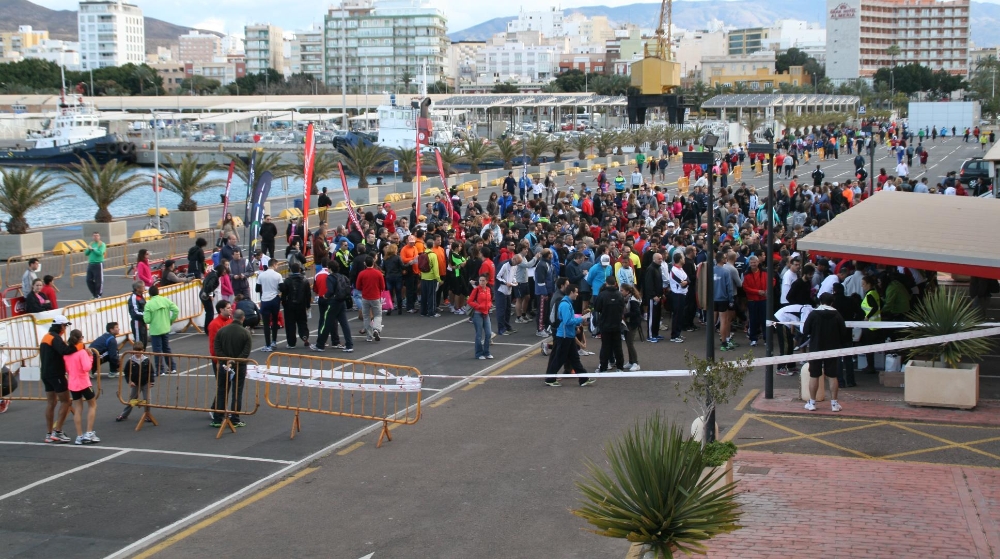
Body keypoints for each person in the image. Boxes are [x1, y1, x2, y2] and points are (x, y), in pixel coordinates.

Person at [802, 292, 851, 412]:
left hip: (816, 348)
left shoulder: (814, 314)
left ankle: (812, 403)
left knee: (814, 375)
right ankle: (834, 404)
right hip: (832, 348)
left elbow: (805, 330)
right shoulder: (837, 315)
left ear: (820, 301)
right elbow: (844, 333)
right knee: (833, 376)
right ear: (832, 302)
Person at [544, 285, 595, 387]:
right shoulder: (565, 305)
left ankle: (583, 379)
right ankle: (549, 379)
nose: (577, 294)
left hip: (568, 335)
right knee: (560, 358)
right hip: (564, 336)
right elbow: (567, 321)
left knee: (574, 358)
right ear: (571, 292)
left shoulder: (567, 303)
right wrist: (581, 319)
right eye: (576, 292)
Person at [212, 309, 253, 428]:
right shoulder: (245, 333)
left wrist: (226, 360)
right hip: (239, 366)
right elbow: (246, 352)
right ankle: (235, 418)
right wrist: (235, 362)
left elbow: (217, 348)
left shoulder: (222, 331)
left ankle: (217, 418)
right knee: (237, 391)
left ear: (232, 317)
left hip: (224, 366)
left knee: (221, 390)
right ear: (243, 318)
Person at [41, 315, 75, 443]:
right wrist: (78, 347)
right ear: (61, 326)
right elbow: (64, 350)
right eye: (65, 326)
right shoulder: (55, 338)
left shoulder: (46, 336)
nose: (65, 328)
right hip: (56, 374)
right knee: (65, 401)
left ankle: (49, 433)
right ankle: (58, 431)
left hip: (45, 373)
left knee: (51, 403)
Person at [64, 329, 99, 445]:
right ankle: (89, 432)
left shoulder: (67, 353)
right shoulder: (82, 352)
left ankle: (79, 435)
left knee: (78, 408)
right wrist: (90, 357)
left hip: (73, 384)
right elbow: (87, 368)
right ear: (80, 339)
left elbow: (67, 369)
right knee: (92, 405)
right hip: (83, 382)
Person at [311, 261, 354, 353]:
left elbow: (330, 290)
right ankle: (349, 344)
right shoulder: (342, 276)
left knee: (326, 323)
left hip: (333, 302)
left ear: (330, 268)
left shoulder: (330, 278)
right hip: (341, 301)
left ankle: (320, 344)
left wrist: (326, 296)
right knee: (344, 323)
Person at [143, 286, 179, 376]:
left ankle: (160, 370)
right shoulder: (165, 300)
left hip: (155, 330)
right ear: (158, 292)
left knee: (157, 351)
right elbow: (176, 310)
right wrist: (171, 320)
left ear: (150, 294)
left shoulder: (149, 304)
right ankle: (172, 367)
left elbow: (147, 320)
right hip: (165, 328)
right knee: (166, 348)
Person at [594, 276, 626, 373]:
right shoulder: (619, 295)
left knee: (605, 346)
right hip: (617, 323)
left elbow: (597, 308)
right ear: (615, 283)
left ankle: (603, 367)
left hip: (605, 323)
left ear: (606, 283)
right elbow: (622, 308)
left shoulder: (602, 295)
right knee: (618, 346)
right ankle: (620, 367)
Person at [116, 341, 154, 423]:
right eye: (136, 351)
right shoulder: (130, 361)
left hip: (145, 383)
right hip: (135, 383)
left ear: (143, 350)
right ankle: (124, 414)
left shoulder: (146, 360)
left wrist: (151, 381)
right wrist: (129, 381)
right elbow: (126, 372)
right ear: (133, 351)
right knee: (131, 400)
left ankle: (147, 415)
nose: (138, 353)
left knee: (147, 400)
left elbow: (151, 371)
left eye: (139, 351)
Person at [279, 262, 312, 348]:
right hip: (301, 305)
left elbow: (284, 293)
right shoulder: (305, 280)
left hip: (290, 305)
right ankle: (305, 336)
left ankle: (291, 342)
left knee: (290, 324)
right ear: (300, 270)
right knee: (302, 322)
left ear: (290, 270)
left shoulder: (287, 280)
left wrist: (284, 303)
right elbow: (308, 294)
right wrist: (308, 305)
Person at [356, 255, 386, 342]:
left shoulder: (361, 273)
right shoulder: (378, 273)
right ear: (373, 263)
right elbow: (383, 286)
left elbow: (358, 286)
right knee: (378, 315)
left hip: (365, 297)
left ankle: (369, 336)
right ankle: (376, 329)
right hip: (376, 297)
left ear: (365, 263)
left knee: (366, 317)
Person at [712, 252, 736, 351]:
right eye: (725, 257)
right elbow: (729, 288)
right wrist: (731, 300)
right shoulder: (725, 272)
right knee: (723, 321)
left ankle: (711, 342)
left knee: (712, 321)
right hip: (722, 299)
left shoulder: (711, 270)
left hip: (713, 299)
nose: (726, 259)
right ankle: (724, 342)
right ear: (722, 259)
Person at [257, 262, 283, 352]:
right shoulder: (278, 275)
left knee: (266, 323)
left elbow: (257, 289)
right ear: (274, 264)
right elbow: (282, 287)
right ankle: (274, 341)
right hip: (275, 299)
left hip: (265, 299)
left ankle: (267, 344)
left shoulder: (261, 275)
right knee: (275, 320)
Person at [742, 255, 767, 347]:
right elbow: (745, 287)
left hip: (763, 299)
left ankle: (766, 339)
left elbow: (772, 280)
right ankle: (753, 339)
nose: (753, 264)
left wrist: (767, 290)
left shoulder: (764, 272)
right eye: (751, 262)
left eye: (754, 262)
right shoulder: (746, 274)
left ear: (758, 262)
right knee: (753, 320)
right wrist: (758, 292)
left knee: (765, 320)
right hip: (752, 300)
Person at [666, 252, 690, 343]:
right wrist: (686, 282)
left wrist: (686, 282)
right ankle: (674, 336)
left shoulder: (681, 269)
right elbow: (682, 284)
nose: (684, 259)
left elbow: (688, 280)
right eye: (683, 258)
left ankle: (678, 333)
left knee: (680, 315)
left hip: (682, 294)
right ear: (679, 259)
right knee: (677, 315)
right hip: (677, 295)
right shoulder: (674, 270)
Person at [469, 274, 493, 359]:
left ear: (486, 281)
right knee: (479, 334)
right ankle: (479, 353)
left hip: (486, 313)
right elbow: (470, 301)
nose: (481, 282)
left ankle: (486, 352)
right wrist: (478, 306)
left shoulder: (488, 289)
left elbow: (489, 300)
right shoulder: (476, 290)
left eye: (483, 280)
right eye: (480, 280)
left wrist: (489, 305)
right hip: (477, 314)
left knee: (488, 333)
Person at [495, 255, 519, 335]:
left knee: (508, 310)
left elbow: (514, 275)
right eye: (516, 262)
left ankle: (507, 326)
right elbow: (497, 277)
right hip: (501, 290)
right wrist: (505, 283)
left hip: (508, 290)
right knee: (501, 310)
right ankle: (501, 329)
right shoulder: (504, 265)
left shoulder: (515, 266)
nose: (516, 265)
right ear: (514, 259)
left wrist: (514, 281)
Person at [643, 252, 665, 342]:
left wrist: (661, 294)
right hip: (653, 297)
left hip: (658, 296)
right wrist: (653, 295)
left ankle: (655, 333)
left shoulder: (658, 268)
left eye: (661, 258)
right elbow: (649, 284)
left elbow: (659, 283)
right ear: (654, 259)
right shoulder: (651, 269)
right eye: (659, 259)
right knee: (652, 316)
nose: (661, 260)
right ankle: (650, 335)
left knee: (657, 316)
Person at [420, 238, 442, 317]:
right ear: (432, 245)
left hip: (423, 277)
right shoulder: (433, 255)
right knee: (431, 296)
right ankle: (432, 312)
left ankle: (423, 311)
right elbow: (436, 269)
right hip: (431, 278)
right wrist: (439, 279)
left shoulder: (422, 254)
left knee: (424, 295)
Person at [84, 232, 106, 298]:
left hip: (98, 263)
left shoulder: (101, 244)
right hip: (91, 264)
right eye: (94, 236)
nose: (95, 237)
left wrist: (93, 250)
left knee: (98, 280)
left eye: (97, 236)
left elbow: (100, 253)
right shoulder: (91, 244)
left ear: (99, 237)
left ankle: (98, 294)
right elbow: (86, 253)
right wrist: (89, 249)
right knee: (88, 280)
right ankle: (94, 294)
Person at [199, 263, 220, 332]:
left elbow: (206, 283)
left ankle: (208, 328)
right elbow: (210, 285)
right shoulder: (214, 276)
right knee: (210, 312)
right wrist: (211, 294)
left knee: (209, 312)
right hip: (205, 294)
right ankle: (208, 329)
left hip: (203, 293)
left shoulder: (211, 274)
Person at [126, 281, 148, 346]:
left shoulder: (141, 296)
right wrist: (147, 315)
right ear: (137, 288)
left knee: (144, 342)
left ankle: (142, 355)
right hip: (137, 323)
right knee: (139, 344)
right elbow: (135, 313)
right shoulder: (134, 298)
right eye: (143, 286)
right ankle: (139, 355)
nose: (144, 288)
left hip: (143, 322)